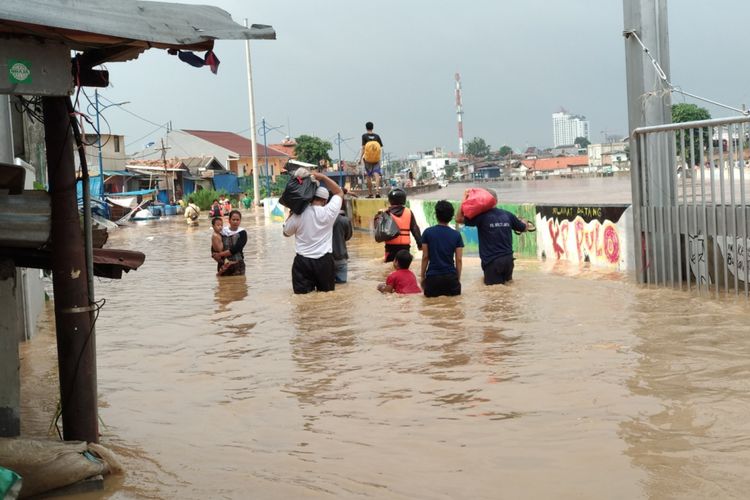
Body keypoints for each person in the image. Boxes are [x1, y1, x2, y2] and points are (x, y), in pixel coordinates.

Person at [282, 172, 344, 293]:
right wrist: (324, 178)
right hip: (324, 262)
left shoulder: (298, 215)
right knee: (326, 299)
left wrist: (292, 211)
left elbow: (286, 233)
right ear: (325, 201)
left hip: (302, 262)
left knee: (303, 300)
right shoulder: (329, 212)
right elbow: (339, 192)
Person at [455, 189, 533, 285]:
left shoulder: (481, 217)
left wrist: (464, 199)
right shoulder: (508, 215)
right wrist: (524, 221)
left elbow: (458, 218)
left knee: (493, 297)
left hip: (492, 263)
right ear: (496, 200)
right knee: (507, 293)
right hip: (508, 260)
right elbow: (524, 228)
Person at [420, 200, 463, 297]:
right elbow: (459, 260)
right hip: (451, 278)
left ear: (436, 215)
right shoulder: (456, 235)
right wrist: (457, 279)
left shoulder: (427, 233)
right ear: (451, 216)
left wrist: (422, 276)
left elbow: (425, 257)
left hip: (433, 278)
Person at [380, 187, 422, 263]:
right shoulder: (409, 212)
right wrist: (420, 244)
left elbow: (380, 232)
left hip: (390, 248)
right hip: (405, 248)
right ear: (404, 200)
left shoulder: (386, 213)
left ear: (390, 200)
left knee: (389, 270)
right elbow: (415, 229)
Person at [212, 210, 247, 276]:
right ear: (229, 220)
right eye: (233, 219)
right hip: (223, 266)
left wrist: (220, 255)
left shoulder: (242, 233)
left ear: (240, 221)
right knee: (223, 285)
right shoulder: (222, 231)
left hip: (238, 265)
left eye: (237, 220)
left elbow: (236, 248)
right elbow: (214, 246)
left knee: (239, 285)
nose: (235, 222)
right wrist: (214, 255)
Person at [359, 121, 383, 198]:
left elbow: (363, 148)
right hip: (376, 159)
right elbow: (380, 148)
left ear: (366, 128)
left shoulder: (364, 136)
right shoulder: (377, 136)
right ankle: (377, 191)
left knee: (368, 176)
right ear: (372, 127)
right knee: (376, 175)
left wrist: (360, 159)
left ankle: (370, 193)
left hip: (367, 159)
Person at [332, 202, 353, 284]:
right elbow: (348, 237)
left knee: (327, 288)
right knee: (342, 286)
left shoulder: (321, 219)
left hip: (325, 258)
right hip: (341, 257)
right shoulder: (345, 220)